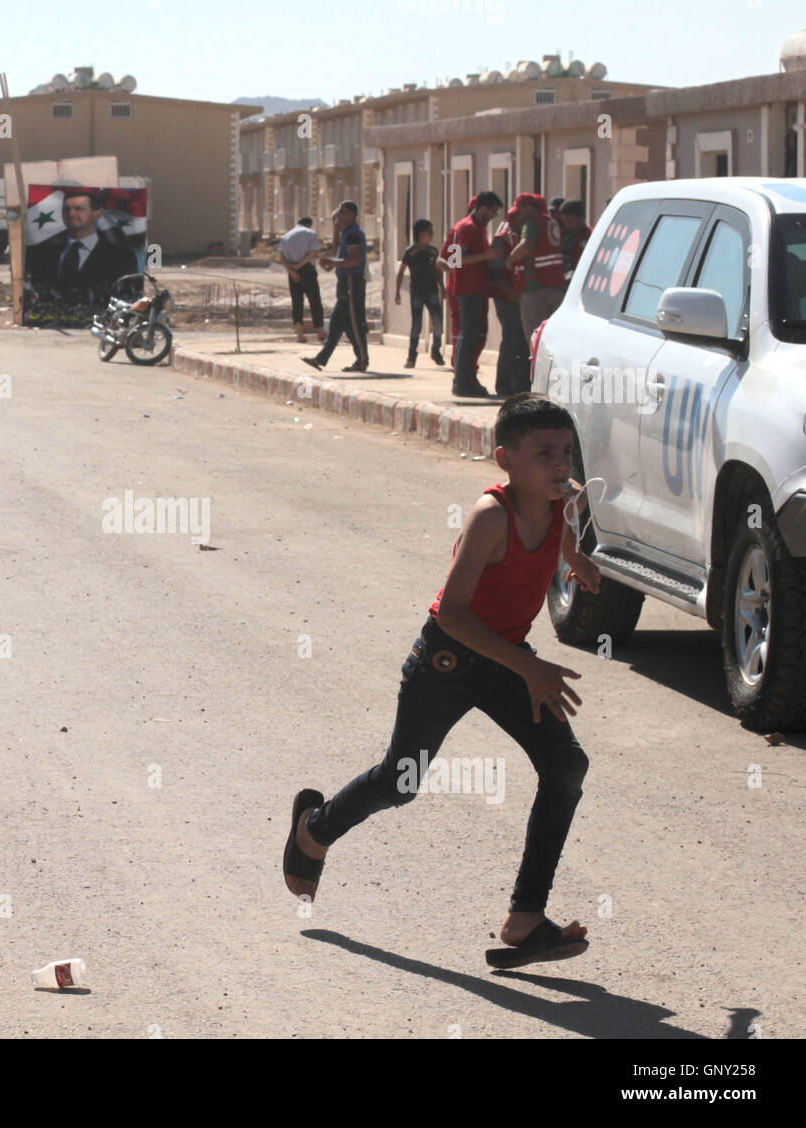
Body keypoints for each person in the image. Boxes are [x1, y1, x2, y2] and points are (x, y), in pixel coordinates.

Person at [283, 393, 600, 969]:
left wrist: (576, 560)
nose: (560, 464)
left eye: (567, 451)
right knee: (400, 782)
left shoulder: (564, 502)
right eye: (544, 452)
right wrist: (529, 665)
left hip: (505, 661)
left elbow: (562, 536)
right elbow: (452, 613)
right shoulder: (490, 516)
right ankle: (314, 829)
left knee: (565, 766)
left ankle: (526, 917)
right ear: (505, 459)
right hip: (447, 662)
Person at [25, 187, 136, 307]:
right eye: (66, 209)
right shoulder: (45, 254)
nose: (71, 214)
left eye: (78, 209)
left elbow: (127, 296)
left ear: (96, 214)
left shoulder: (121, 257)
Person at [442, 191, 504, 398]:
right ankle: (461, 382)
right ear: (482, 208)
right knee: (468, 336)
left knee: (475, 336)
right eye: (492, 211)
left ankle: (468, 377)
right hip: (467, 290)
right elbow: (455, 261)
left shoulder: (477, 228)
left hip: (477, 288)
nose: (493, 215)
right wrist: (487, 255)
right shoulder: (466, 228)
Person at [302, 200, 368, 373]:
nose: (340, 216)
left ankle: (362, 360)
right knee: (337, 324)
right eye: (339, 213)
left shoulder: (354, 234)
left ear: (352, 214)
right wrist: (336, 232)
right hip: (344, 282)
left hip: (352, 282)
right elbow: (338, 252)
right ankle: (321, 358)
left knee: (354, 323)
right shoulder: (347, 233)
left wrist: (333, 262)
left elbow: (353, 259)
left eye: (344, 213)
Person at [506, 193, 567, 345]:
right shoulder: (551, 222)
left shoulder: (532, 223)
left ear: (527, 208)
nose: (519, 214)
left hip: (536, 288)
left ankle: (537, 368)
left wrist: (509, 260)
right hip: (557, 286)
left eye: (520, 209)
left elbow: (525, 245)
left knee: (535, 340)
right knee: (554, 339)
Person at [488, 207, 531, 396]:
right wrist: (508, 290)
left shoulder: (523, 237)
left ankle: (518, 383)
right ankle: (503, 385)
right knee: (511, 338)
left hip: (518, 296)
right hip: (503, 297)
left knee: (520, 340)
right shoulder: (501, 240)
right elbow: (493, 273)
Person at [395, 219, 446, 368]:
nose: (431, 235)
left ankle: (436, 350)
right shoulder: (410, 252)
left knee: (438, 323)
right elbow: (401, 272)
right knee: (416, 325)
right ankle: (412, 355)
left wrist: (442, 288)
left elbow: (438, 271)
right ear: (420, 234)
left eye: (432, 232)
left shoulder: (433, 251)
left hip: (432, 291)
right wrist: (397, 292)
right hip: (417, 292)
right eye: (428, 232)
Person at [277, 216, 325, 344]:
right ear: (309, 224)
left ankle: (300, 334)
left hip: (292, 270)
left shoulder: (286, 236)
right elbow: (313, 253)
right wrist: (300, 265)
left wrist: (292, 271)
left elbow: (281, 257)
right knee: (314, 300)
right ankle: (320, 332)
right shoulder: (310, 233)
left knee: (297, 302)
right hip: (306, 269)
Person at [559, 200, 593, 283]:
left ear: (581, 218)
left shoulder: (591, 236)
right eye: (565, 222)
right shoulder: (561, 235)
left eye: (570, 222)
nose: (567, 225)